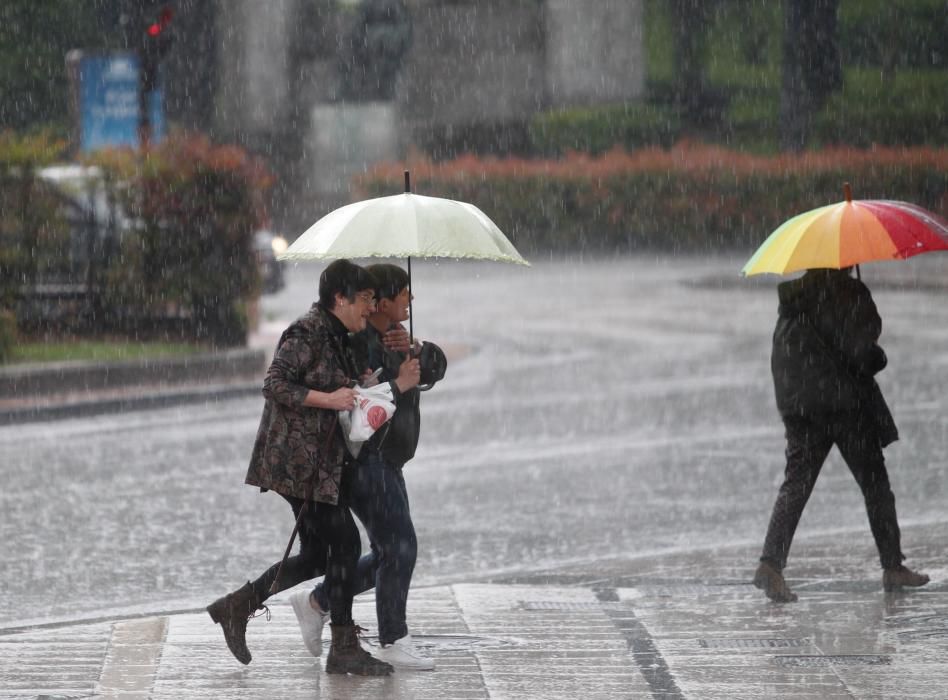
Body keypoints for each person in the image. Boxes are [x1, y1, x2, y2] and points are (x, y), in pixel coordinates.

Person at [206, 259, 393, 676]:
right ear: (339, 298)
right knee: (344, 545)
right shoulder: (306, 332)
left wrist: (358, 382)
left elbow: (333, 383)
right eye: (364, 300)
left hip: (318, 463)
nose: (370, 307)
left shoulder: (340, 335)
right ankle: (343, 647)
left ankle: (238, 605)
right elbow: (274, 383)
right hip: (296, 462)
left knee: (316, 556)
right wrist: (330, 399)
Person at [289, 263, 447, 670]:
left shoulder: (391, 338)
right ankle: (393, 638)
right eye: (403, 293)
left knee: (389, 552)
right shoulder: (358, 342)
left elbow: (434, 369)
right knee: (399, 548)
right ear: (378, 300)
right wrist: (393, 375)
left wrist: (414, 349)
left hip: (389, 459)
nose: (409, 300)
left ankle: (318, 600)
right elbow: (361, 397)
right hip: (366, 460)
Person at [754, 267, 929, 603]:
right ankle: (893, 566)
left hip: (802, 408)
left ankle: (770, 563)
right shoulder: (849, 293)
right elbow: (864, 352)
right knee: (876, 484)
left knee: (796, 484)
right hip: (845, 406)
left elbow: (784, 358)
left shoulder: (793, 300)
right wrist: (877, 351)